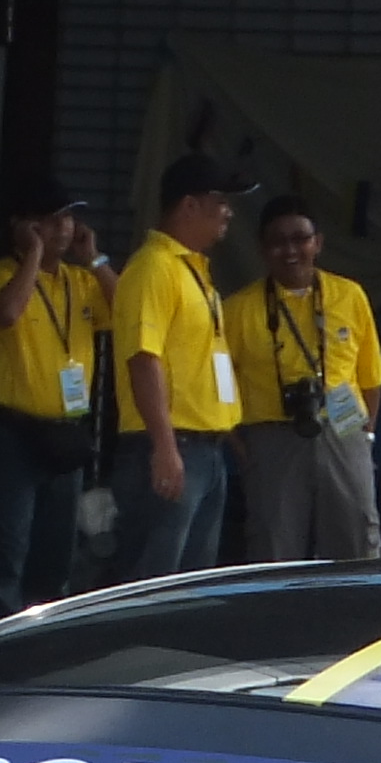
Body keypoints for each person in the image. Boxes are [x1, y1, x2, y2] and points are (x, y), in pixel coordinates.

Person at [107, 152, 247, 578]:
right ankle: (137, 647)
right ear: (189, 205)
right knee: (154, 579)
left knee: (190, 581)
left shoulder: (193, 271)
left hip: (205, 449)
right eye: (220, 200)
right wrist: (165, 447)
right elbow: (143, 360)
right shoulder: (154, 268)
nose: (229, 211)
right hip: (172, 447)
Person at [224, 194, 381, 564]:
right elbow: (220, 390)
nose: (290, 250)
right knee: (273, 545)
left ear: (319, 243)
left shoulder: (349, 295)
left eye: (300, 238)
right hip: (271, 436)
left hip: (343, 429)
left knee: (357, 539)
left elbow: (371, 378)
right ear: (263, 249)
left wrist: (365, 436)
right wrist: (244, 451)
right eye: (278, 241)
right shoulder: (237, 309)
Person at [0, 176, 92, 614]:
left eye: (69, 218)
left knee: (56, 554)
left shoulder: (80, 281)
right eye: (52, 219)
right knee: (7, 550)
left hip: (65, 434)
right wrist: (34, 255)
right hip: (13, 433)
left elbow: (124, 311)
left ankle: (43, 645)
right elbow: (6, 314)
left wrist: (94, 257)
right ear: (25, 226)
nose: (64, 227)